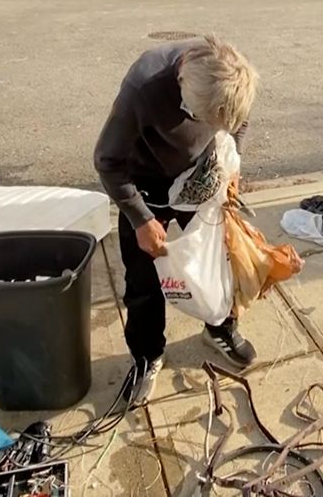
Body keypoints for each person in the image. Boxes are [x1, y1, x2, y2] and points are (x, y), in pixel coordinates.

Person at [94, 35, 259, 406]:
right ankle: (147, 354)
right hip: (145, 184)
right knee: (143, 278)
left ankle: (219, 326)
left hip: (199, 177)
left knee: (217, 261)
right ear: (184, 86)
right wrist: (140, 218)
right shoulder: (143, 87)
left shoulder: (229, 76)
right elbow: (107, 161)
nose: (211, 124)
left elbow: (239, 121)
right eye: (203, 118)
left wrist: (232, 161)